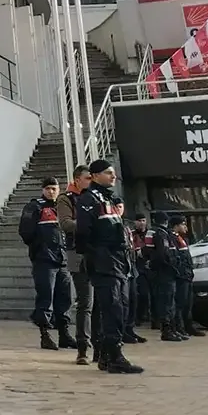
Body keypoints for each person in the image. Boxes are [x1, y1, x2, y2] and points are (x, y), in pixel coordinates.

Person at [75, 159, 142, 374]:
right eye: (108, 173)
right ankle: (114, 356)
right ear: (95, 176)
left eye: (113, 173)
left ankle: (105, 355)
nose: (113, 176)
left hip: (118, 261)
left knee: (121, 307)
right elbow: (83, 234)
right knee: (112, 308)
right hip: (104, 262)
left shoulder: (108, 198)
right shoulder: (89, 199)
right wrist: (97, 255)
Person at [18, 176, 75, 351]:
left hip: (62, 259)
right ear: (43, 190)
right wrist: (40, 248)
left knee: (65, 297)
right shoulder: (35, 206)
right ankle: (45, 335)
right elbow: (26, 232)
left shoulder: (62, 207)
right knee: (46, 298)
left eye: (54, 188)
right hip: (44, 260)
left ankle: (64, 334)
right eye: (48, 188)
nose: (51, 192)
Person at [56, 165, 94, 365]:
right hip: (76, 252)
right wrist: (91, 225)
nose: (90, 181)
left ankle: (101, 346)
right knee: (85, 301)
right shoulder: (66, 198)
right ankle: (82, 348)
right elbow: (65, 224)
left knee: (101, 301)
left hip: (98, 251)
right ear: (77, 179)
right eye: (87, 178)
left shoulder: (95, 197)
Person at [145, 212, 185, 342]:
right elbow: (163, 254)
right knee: (166, 302)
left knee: (169, 302)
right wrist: (173, 267)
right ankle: (167, 331)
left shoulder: (158, 232)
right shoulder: (160, 233)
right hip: (164, 272)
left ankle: (172, 329)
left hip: (164, 271)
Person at [113, 198, 146, 344]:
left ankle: (129, 328)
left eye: (121, 206)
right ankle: (122, 331)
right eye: (116, 206)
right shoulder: (111, 225)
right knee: (123, 301)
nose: (119, 209)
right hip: (120, 267)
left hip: (131, 266)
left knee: (133, 299)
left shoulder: (126, 226)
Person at [169, 216, 205, 338]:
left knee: (188, 303)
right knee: (180, 303)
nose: (185, 227)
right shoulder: (172, 239)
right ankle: (179, 327)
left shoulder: (182, 238)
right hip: (181, 276)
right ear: (176, 226)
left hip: (187, 275)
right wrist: (180, 272)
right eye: (183, 224)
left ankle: (189, 326)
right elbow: (176, 258)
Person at [129, 213, 152, 326]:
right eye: (139, 221)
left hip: (151, 266)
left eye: (143, 220)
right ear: (135, 222)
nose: (142, 223)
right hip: (138, 266)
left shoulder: (150, 234)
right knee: (142, 293)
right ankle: (139, 316)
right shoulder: (131, 234)